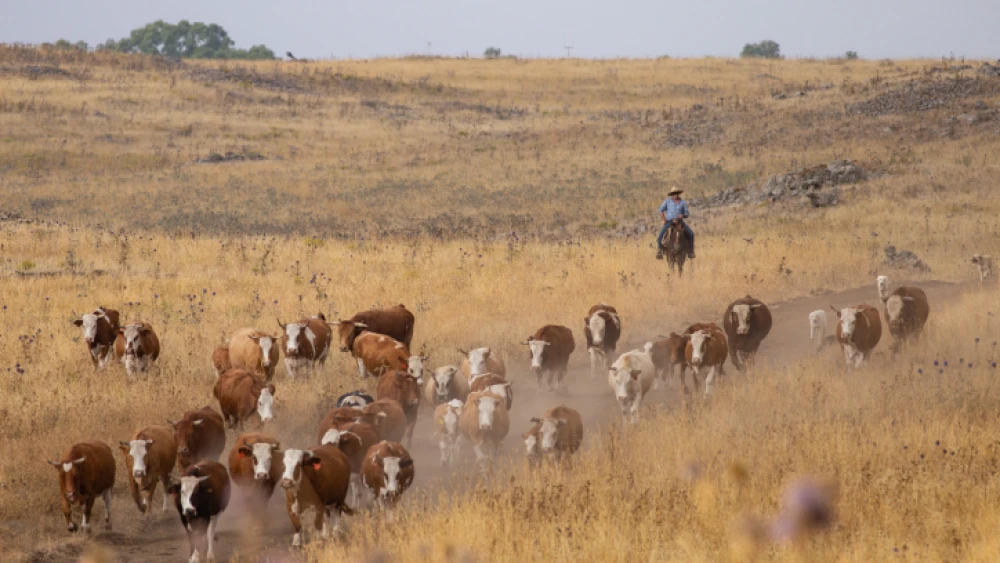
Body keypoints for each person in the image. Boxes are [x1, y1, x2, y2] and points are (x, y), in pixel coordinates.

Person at [656, 187, 695, 259]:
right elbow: (660, 210)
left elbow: (687, 213)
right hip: (669, 222)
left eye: (677, 193)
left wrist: (683, 215)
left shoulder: (682, 203)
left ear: (679, 194)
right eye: (674, 194)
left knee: (691, 234)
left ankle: (690, 251)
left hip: (679, 222)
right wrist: (664, 219)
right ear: (672, 194)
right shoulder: (667, 201)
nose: (675, 195)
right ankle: (660, 251)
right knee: (660, 235)